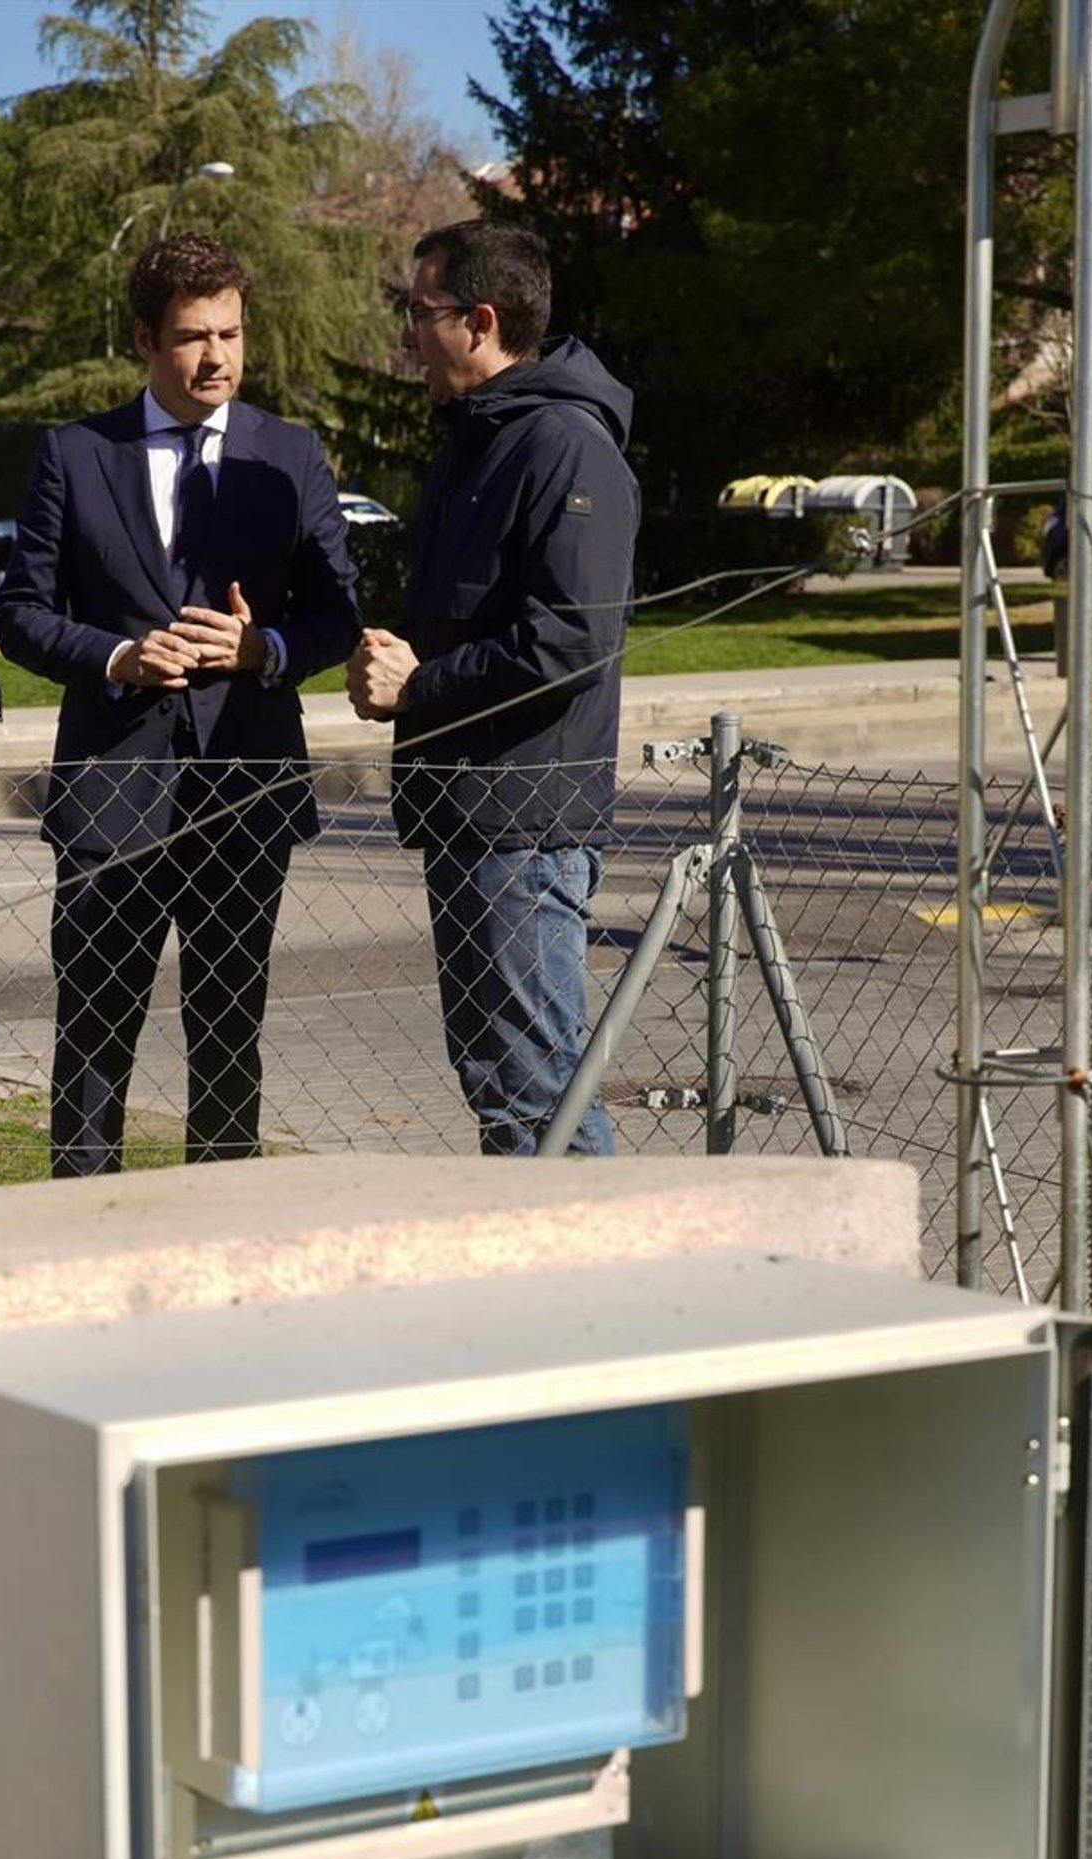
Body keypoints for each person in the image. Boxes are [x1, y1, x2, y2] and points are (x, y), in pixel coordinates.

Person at [0, 233, 358, 1173]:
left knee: (230, 1038)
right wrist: (117, 656)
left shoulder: (290, 454)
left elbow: (337, 615)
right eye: (194, 336)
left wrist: (263, 649)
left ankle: (223, 1231)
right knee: (93, 1042)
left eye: (231, 334)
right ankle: (86, 1224)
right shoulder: (76, 455)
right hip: (112, 796)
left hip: (245, 794)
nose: (216, 358)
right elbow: (22, 615)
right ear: (145, 340)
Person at [347, 220, 638, 1157]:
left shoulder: (562, 445)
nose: (407, 334)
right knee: (507, 1088)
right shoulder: (478, 441)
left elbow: (571, 642)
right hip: (474, 816)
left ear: (479, 321)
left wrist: (420, 684)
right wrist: (399, 668)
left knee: (536, 1098)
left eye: (419, 311)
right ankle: (550, 1250)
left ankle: (595, 1254)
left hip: (522, 825)